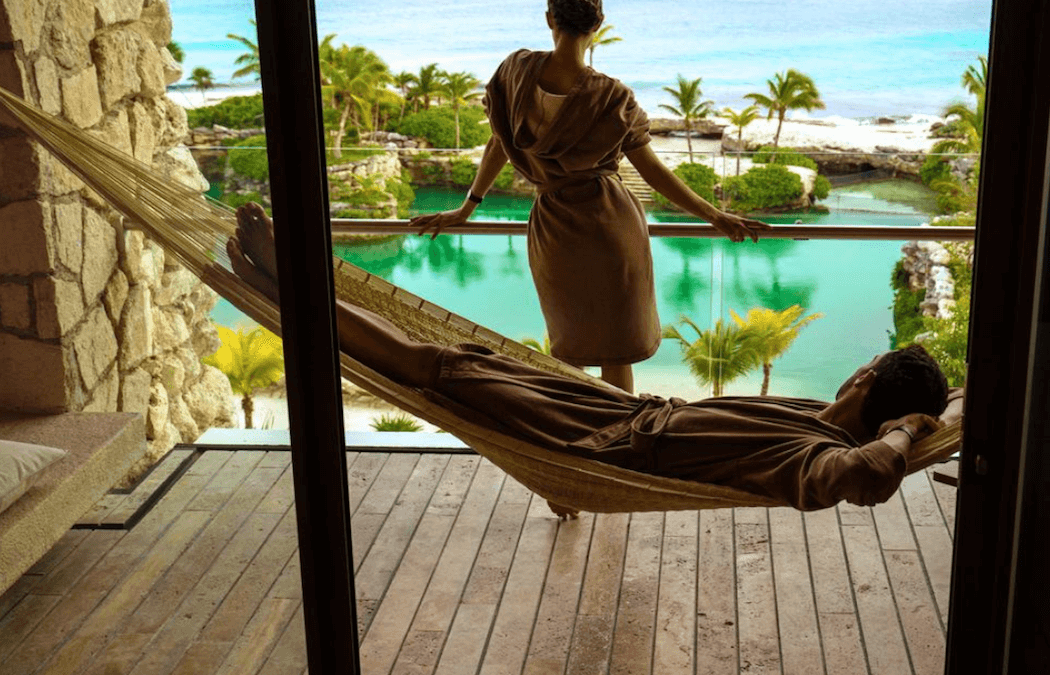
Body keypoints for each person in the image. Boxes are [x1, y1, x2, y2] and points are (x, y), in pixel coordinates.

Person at [229, 204, 961, 513]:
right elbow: (950, 403)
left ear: (866, 377)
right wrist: (939, 412)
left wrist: (905, 430)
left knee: (437, 368)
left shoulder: (821, 453)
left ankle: (290, 284)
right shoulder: (821, 419)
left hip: (602, 442)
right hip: (619, 410)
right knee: (461, 355)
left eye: (870, 361)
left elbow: (864, 480)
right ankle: (287, 284)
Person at [409, 0, 767, 394]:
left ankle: (574, 425)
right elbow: (653, 172)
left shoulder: (515, 72)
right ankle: (620, 432)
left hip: (553, 227)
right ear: (598, 24)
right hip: (611, 226)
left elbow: (498, 143)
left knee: (569, 347)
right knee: (617, 353)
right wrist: (715, 216)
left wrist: (468, 207)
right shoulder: (612, 97)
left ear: (550, 19)